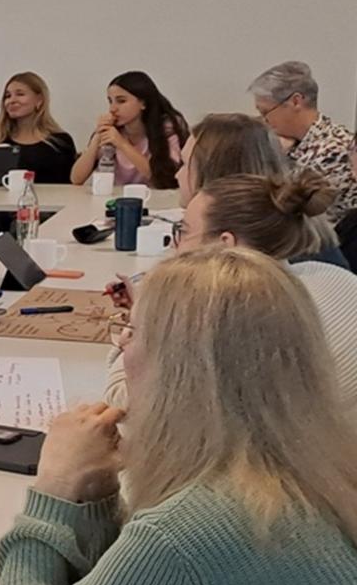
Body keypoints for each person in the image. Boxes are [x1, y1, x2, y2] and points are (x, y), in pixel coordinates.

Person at [0, 247, 357, 585]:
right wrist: (97, 494)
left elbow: (164, 558)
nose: (122, 345)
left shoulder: (191, 530)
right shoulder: (312, 473)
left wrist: (53, 488)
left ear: (181, 368)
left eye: (132, 332)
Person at [105, 172, 357, 416]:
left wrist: (141, 321)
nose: (174, 245)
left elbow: (125, 404)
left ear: (224, 244)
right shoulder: (328, 274)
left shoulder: (231, 315)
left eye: (183, 231)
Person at [173, 112, 347, 268]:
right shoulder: (291, 227)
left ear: (213, 174)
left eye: (185, 164)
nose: (177, 175)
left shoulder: (267, 252)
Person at [0, 72, 77, 251]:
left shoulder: (59, 142)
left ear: (39, 100)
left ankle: (8, 270)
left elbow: (68, 187)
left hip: (40, 208)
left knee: (20, 233)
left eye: (20, 94)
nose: (11, 100)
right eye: (7, 96)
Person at [249, 60, 356, 221]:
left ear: (295, 102)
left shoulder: (333, 151)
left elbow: (290, 213)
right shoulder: (295, 143)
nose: (264, 120)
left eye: (266, 112)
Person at [70, 71, 188, 188]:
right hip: (117, 196)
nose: (112, 109)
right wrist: (96, 138)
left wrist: (122, 144)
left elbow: (165, 180)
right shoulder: (112, 130)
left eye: (121, 101)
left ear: (143, 103)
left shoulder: (167, 127)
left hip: (154, 196)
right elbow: (76, 179)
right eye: (110, 101)